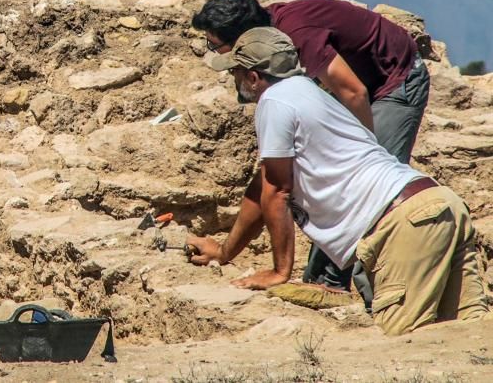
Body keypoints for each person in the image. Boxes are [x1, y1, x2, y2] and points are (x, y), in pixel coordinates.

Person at [186, 27, 488, 336]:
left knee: (403, 341)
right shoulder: (306, 91)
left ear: (253, 77)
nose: (233, 79)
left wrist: (279, 271)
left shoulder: (274, 101)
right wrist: (224, 253)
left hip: (401, 224)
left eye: (236, 72)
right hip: (438, 203)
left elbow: (276, 191)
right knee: (467, 336)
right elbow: (263, 185)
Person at [192, 0, 430, 295]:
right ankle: (324, 281)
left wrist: (363, 151)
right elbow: (268, 181)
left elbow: (353, 92)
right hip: (358, 84)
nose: (216, 54)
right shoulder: (275, 54)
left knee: (364, 190)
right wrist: (226, 252)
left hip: (393, 80)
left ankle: (339, 286)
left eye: (217, 45)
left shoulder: (294, 38)